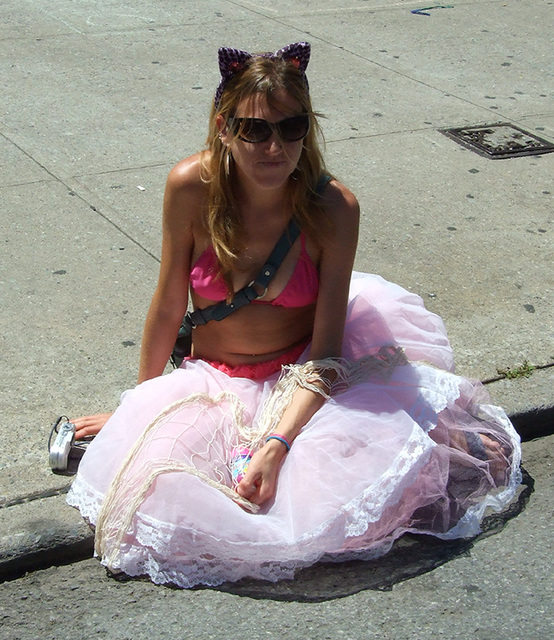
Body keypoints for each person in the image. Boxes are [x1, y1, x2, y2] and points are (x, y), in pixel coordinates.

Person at [67, 42, 521, 588]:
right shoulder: (190, 186)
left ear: (308, 129)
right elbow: (168, 304)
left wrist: (277, 445)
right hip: (213, 381)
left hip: (304, 375)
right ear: (224, 127)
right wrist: (140, 407)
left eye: (291, 127)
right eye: (254, 130)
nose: (274, 146)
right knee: (159, 499)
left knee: (357, 480)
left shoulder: (335, 208)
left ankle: (438, 436)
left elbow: (328, 356)